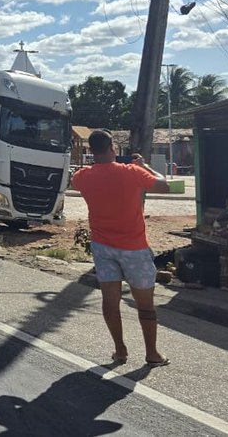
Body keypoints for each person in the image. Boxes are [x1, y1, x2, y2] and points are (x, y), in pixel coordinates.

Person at [70, 129, 173, 368]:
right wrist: (145, 166)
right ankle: (152, 353)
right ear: (113, 147)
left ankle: (120, 350)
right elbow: (164, 186)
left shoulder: (83, 176)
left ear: (92, 150)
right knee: (145, 303)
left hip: (103, 246)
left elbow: (76, 178)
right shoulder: (132, 172)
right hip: (134, 247)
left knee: (110, 300)